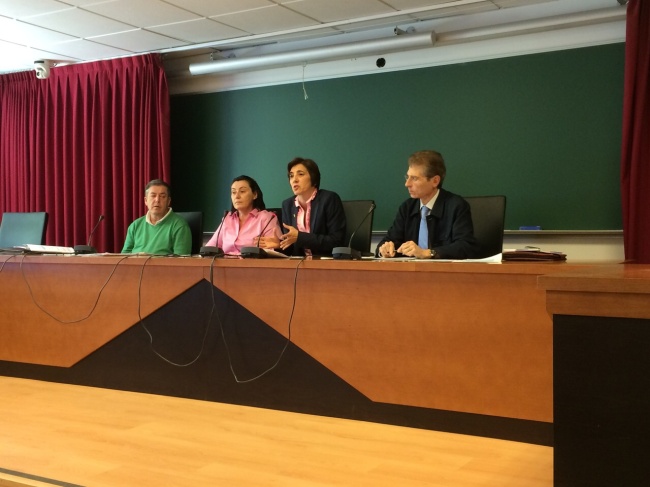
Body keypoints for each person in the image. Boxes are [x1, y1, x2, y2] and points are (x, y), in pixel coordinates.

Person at [377, 150, 478, 260]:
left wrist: (428, 253)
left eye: (414, 178)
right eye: (407, 177)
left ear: (435, 181)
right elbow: (389, 239)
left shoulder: (456, 206)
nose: (407, 184)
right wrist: (384, 249)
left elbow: (466, 246)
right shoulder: (407, 207)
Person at [258, 157, 346, 256]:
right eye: (291, 176)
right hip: (299, 266)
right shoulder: (288, 205)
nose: (294, 180)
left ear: (314, 178)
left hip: (326, 264)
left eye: (300, 174)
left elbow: (337, 241)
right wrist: (280, 245)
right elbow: (291, 249)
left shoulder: (329, 199)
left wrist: (300, 237)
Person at [205, 175, 281, 255]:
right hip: (226, 265)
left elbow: (271, 252)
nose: (237, 196)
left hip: (252, 265)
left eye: (242, 191)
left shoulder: (267, 218)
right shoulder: (227, 219)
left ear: (255, 194)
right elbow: (210, 248)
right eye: (233, 192)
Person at [122, 179, 192, 255]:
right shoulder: (135, 225)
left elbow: (182, 261)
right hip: (134, 266)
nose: (157, 200)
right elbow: (123, 258)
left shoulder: (179, 226)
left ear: (168, 201)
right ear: (146, 200)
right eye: (153, 196)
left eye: (162, 196)